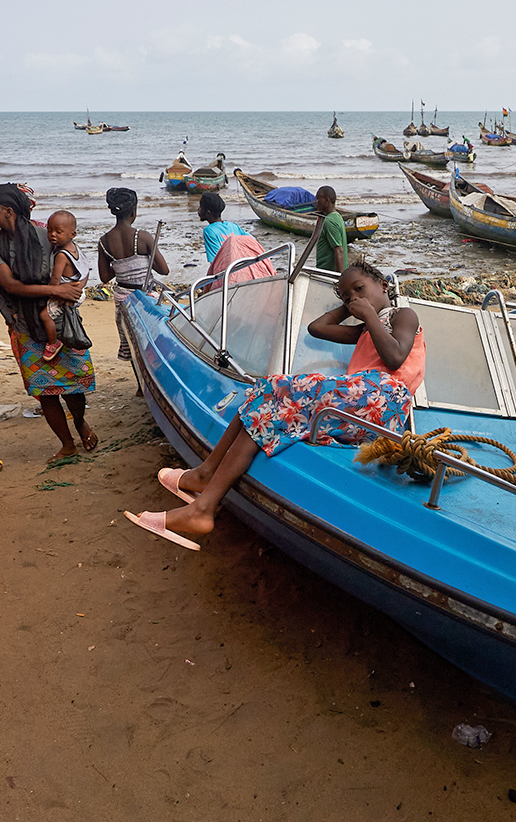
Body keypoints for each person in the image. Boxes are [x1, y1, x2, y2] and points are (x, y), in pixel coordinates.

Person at [125, 259, 423, 550]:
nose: (354, 298)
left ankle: (203, 497)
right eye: (347, 296)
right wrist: (352, 308)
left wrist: (370, 314)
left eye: (359, 289)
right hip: (362, 402)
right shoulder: (365, 331)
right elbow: (317, 328)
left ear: (383, 285)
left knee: (277, 387)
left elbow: (395, 357)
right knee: (268, 394)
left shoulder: (403, 315)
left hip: (384, 401)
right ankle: (205, 483)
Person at [0, 182, 100, 461]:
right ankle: (67, 443)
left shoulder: (48, 235)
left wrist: (74, 290)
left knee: (73, 385)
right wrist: (56, 290)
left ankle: (80, 421)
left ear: (7, 211)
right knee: (45, 391)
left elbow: (77, 264)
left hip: (61, 323)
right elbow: (10, 286)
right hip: (24, 325)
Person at [97, 187, 168, 362]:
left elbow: (104, 277)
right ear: (134, 211)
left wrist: (121, 265)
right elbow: (164, 270)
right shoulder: (143, 237)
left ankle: (139, 384)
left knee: (130, 339)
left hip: (123, 299)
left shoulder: (104, 241)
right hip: (144, 297)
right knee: (150, 338)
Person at [37, 210, 88, 362]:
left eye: (58, 232)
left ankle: (53, 343)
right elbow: (85, 269)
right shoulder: (75, 248)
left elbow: (55, 279)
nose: (53, 235)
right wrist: (80, 287)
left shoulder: (61, 255)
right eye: (50, 230)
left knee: (44, 316)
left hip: (66, 291)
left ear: (72, 234)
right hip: (79, 290)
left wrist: (51, 293)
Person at [197, 192, 244, 263]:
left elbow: (215, 261)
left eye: (200, 207)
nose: (198, 210)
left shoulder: (209, 230)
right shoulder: (234, 226)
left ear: (208, 211)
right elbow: (252, 241)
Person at [313, 186, 348, 272]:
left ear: (326, 201)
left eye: (318, 200)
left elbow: (339, 251)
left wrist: (339, 278)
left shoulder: (330, 221)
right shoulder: (337, 216)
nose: (316, 202)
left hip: (328, 274)